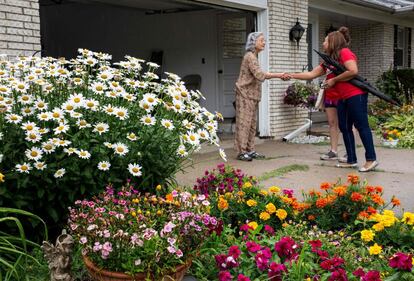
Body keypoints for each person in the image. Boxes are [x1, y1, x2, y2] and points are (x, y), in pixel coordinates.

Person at [285, 27, 378, 172]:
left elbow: (353, 71)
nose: (323, 43)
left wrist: (334, 80)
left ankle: (371, 159)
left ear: (333, 42)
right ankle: (351, 159)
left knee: (361, 126)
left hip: (355, 95)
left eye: (326, 40)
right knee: (345, 128)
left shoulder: (345, 52)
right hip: (343, 98)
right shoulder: (328, 61)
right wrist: (290, 75)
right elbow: (311, 74)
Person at [234, 32, 285, 161]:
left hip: (252, 95)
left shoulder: (254, 56)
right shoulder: (250, 56)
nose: (264, 43)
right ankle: (241, 152)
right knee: (244, 124)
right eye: (261, 40)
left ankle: (250, 150)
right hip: (245, 94)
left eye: (264, 40)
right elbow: (259, 75)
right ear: (253, 42)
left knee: (251, 124)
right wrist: (279, 75)